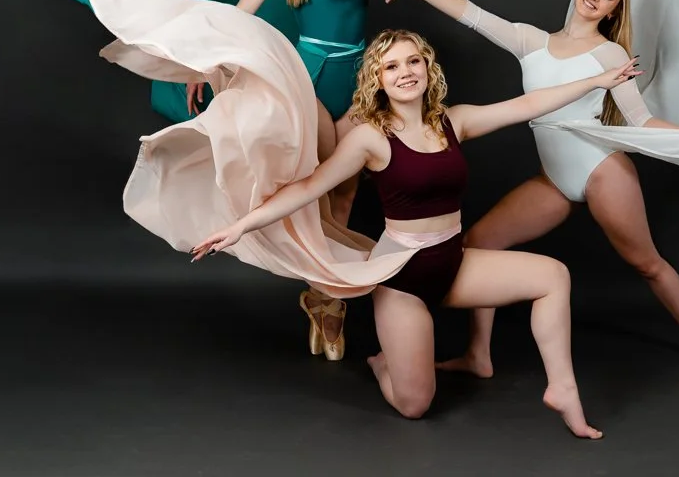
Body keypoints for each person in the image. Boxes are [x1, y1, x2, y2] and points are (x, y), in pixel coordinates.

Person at [9, 0, 473, 357]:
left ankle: (326, 301)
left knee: (345, 190)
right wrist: (207, 67)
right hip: (310, 80)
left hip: (361, 83)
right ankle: (326, 289)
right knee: (319, 189)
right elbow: (244, 14)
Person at [190, 27, 639, 438]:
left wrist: (596, 82)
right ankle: (384, 361)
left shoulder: (453, 121)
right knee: (415, 406)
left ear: (427, 67)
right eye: (391, 66)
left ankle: (563, 390)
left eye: (412, 62)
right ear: (377, 80)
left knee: (553, 276)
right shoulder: (370, 138)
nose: (405, 72)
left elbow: (525, 106)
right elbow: (308, 187)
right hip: (403, 279)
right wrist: (240, 226)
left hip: (455, 264)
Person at [367, 0, 679, 372]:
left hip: (601, 169)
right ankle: (478, 356)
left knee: (646, 263)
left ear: (613, 10)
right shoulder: (530, 41)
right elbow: (472, 15)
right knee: (480, 240)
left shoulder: (610, 54)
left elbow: (642, 121)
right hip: (553, 179)